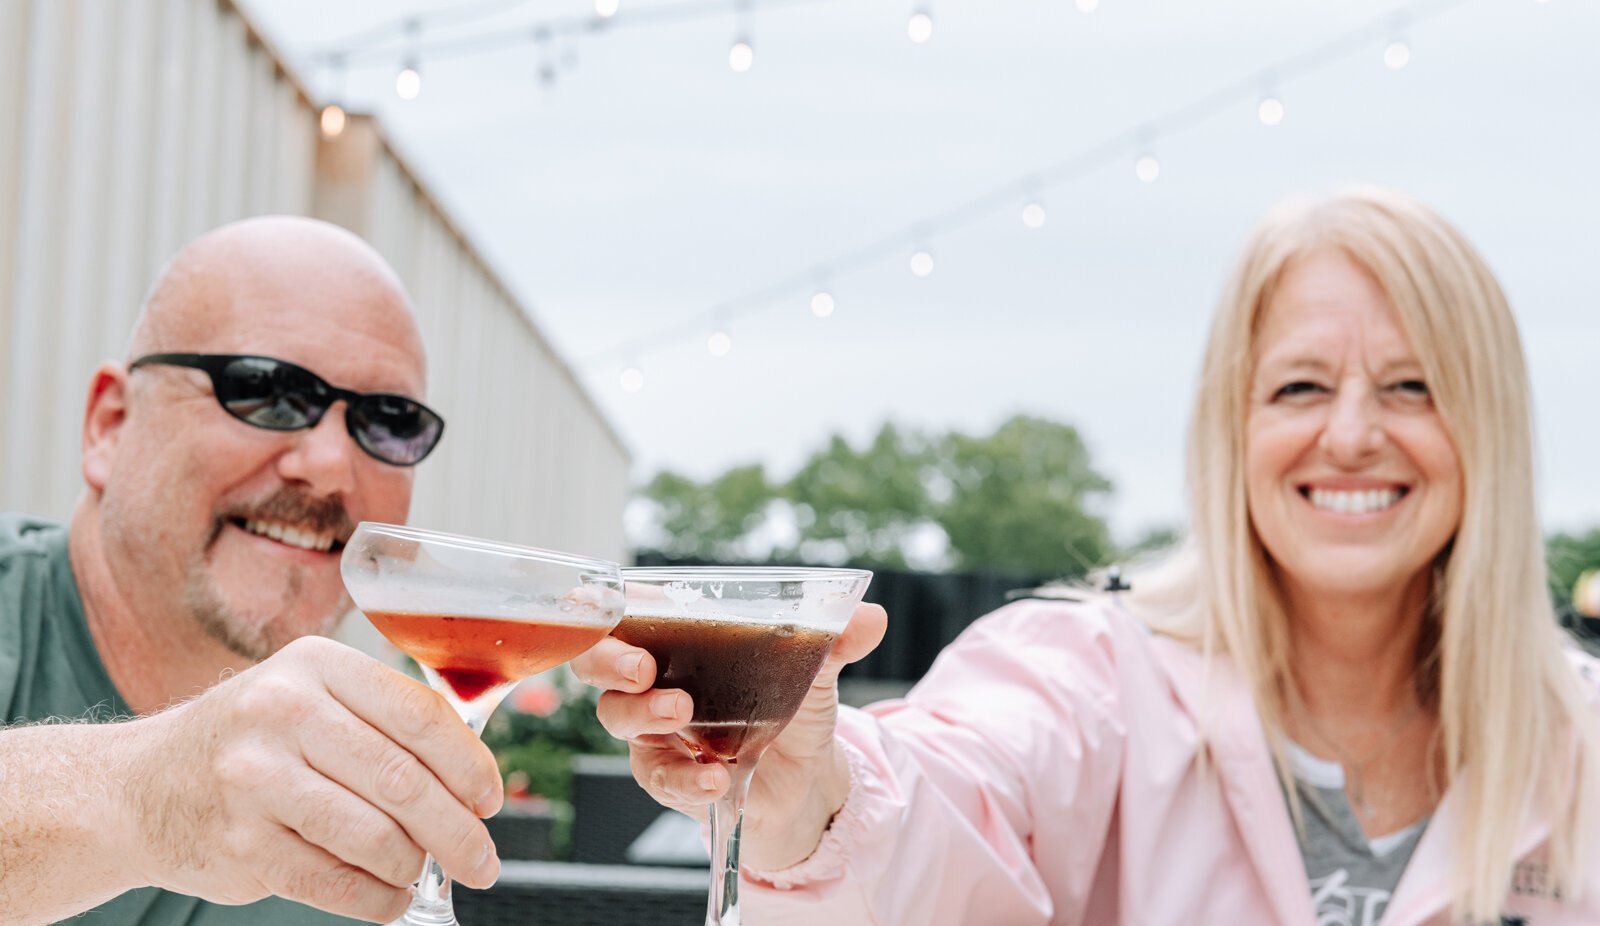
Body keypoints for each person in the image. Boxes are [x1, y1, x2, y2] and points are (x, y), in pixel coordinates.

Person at [575, 187, 1600, 924]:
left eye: (1411, 386)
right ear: (1228, 427)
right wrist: (813, 787)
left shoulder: (1579, 743)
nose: (1349, 434)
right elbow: (950, 795)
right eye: (1297, 387)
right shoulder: (1088, 676)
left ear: (1488, 431)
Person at [0, 217, 504, 924]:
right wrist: (147, 795)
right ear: (109, 427)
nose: (330, 468)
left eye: (387, 421)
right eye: (268, 391)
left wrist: (717, 811)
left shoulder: (364, 820)